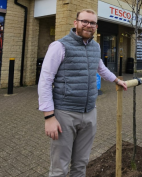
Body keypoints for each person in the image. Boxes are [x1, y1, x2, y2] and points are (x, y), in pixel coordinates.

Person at [38, 9, 127, 177]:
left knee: (81, 165)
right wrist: (49, 117)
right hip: (65, 114)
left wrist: (116, 80)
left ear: (96, 26)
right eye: (84, 21)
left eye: (92, 23)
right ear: (76, 22)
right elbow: (45, 81)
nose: (88, 25)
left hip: (89, 113)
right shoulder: (59, 46)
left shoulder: (95, 46)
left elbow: (100, 67)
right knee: (60, 168)